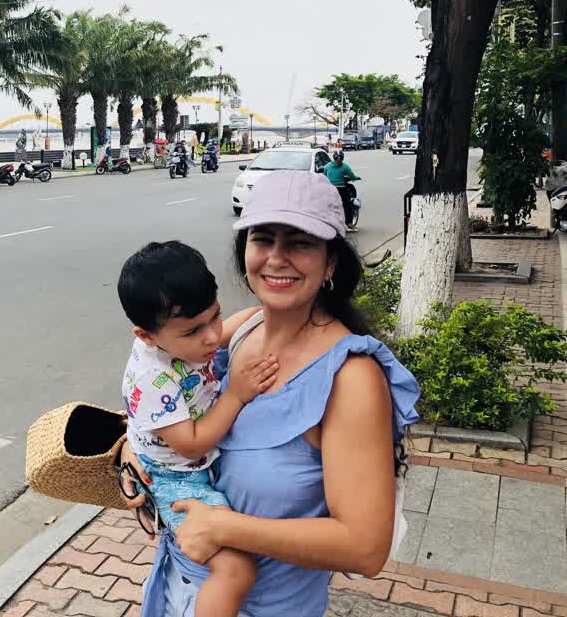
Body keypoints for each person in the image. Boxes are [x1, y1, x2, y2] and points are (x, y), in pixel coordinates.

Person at [118, 170, 419, 617]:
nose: (277, 258)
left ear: (330, 262)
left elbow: (365, 548)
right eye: (263, 239)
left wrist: (225, 527)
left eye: (299, 242)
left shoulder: (349, 378)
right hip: (173, 591)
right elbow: (159, 398)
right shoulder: (242, 331)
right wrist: (129, 455)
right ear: (246, 253)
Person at [118, 242, 278, 617]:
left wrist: (266, 311)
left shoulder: (181, 343)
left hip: (181, 464)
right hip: (175, 480)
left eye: (215, 316)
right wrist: (236, 394)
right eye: (193, 331)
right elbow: (191, 445)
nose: (210, 337)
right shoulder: (154, 378)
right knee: (235, 569)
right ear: (146, 336)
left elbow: (223, 331)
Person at [323, 151, 360, 231]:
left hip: (330, 190)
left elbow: (324, 177)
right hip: (341, 189)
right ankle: (349, 223)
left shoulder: (327, 166)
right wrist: (356, 178)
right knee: (347, 205)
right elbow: (352, 176)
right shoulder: (345, 167)